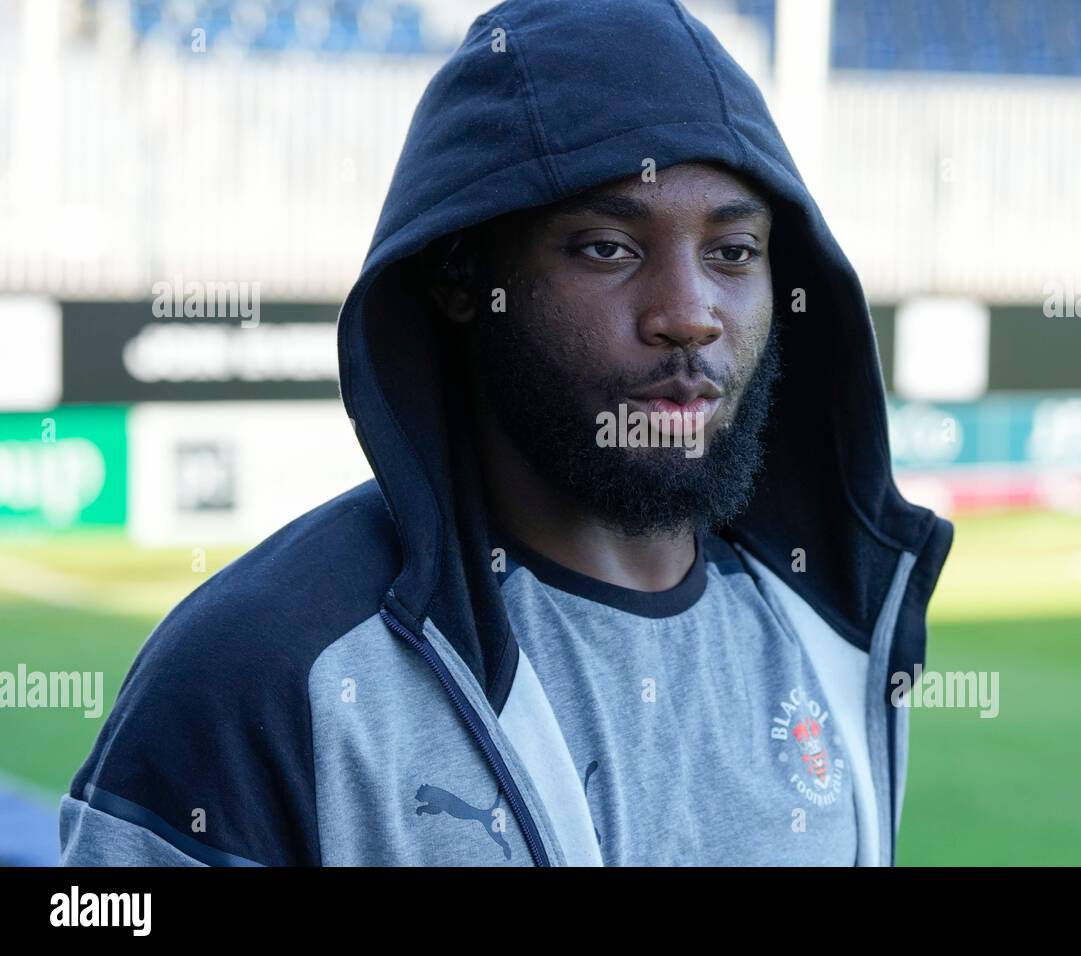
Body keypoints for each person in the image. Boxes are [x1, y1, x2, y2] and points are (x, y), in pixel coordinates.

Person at [59, 0, 952, 867]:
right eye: (608, 247)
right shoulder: (261, 674)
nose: (690, 315)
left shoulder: (827, 625)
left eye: (734, 253)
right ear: (460, 277)